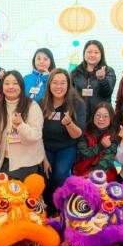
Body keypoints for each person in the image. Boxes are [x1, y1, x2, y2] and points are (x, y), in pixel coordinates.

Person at [0, 71, 44, 181]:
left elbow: (36, 136)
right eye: (7, 83)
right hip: (3, 159)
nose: (11, 87)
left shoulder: (32, 106)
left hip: (26, 161)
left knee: (12, 188)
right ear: (2, 86)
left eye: (15, 83)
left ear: (21, 86)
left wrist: (21, 125)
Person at [40, 69, 86, 203]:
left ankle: (62, 204)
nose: (58, 86)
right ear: (49, 84)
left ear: (68, 84)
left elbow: (77, 135)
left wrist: (69, 124)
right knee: (46, 175)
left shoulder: (77, 104)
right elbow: (37, 134)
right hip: (45, 147)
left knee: (60, 173)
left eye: (62, 83)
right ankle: (48, 206)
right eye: (55, 82)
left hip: (66, 146)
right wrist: (43, 158)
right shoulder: (41, 104)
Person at [74, 102, 118, 181]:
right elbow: (82, 154)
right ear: (93, 116)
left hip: (103, 174)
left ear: (111, 118)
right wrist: (101, 146)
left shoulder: (114, 135)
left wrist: (92, 177)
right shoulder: (85, 131)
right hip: (82, 170)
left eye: (105, 116)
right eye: (98, 115)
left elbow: (107, 161)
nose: (101, 119)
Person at [71, 40, 116, 117]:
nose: (92, 55)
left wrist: (102, 79)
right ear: (84, 53)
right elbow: (71, 95)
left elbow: (107, 93)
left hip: (101, 117)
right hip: (81, 116)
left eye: (96, 52)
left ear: (101, 54)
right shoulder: (75, 72)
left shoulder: (108, 71)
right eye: (89, 52)